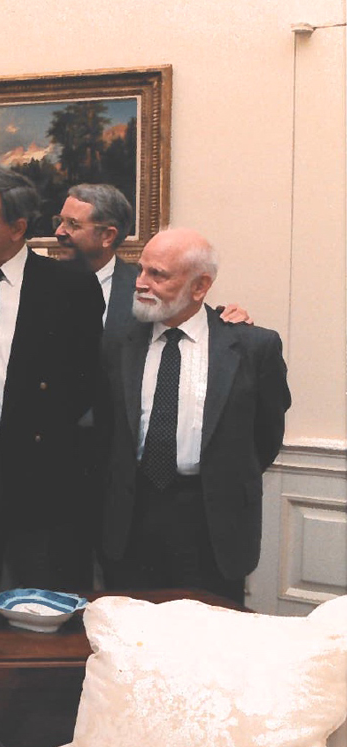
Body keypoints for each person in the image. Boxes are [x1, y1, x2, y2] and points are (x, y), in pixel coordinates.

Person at [0, 168, 104, 594]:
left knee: (37, 592)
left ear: (18, 228)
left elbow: (85, 378)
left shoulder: (68, 287)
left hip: (38, 471)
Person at [98, 229, 290, 606]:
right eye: (140, 270)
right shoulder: (118, 344)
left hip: (211, 522)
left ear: (200, 286)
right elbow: (106, 433)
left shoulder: (252, 347)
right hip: (132, 517)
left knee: (209, 642)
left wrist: (221, 474)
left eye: (158, 274)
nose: (140, 283)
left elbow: (265, 437)